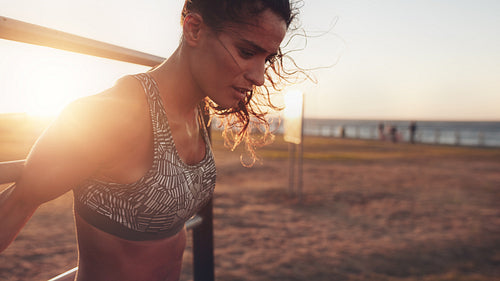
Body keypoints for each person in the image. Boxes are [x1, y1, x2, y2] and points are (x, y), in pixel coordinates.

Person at [0, 1, 299, 280]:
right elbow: (16, 204)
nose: (260, 77)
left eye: (267, 58)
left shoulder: (199, 110)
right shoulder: (111, 115)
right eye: (247, 52)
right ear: (193, 29)